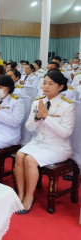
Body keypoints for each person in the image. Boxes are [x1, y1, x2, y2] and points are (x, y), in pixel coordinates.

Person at [14, 70, 75, 214]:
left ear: (60, 87)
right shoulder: (37, 101)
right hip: (39, 142)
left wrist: (47, 117)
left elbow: (66, 133)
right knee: (19, 155)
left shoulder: (68, 105)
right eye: (44, 83)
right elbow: (28, 127)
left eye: (51, 84)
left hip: (58, 146)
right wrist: (37, 118)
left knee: (30, 159)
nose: (46, 87)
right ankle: (20, 194)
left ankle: (29, 197)